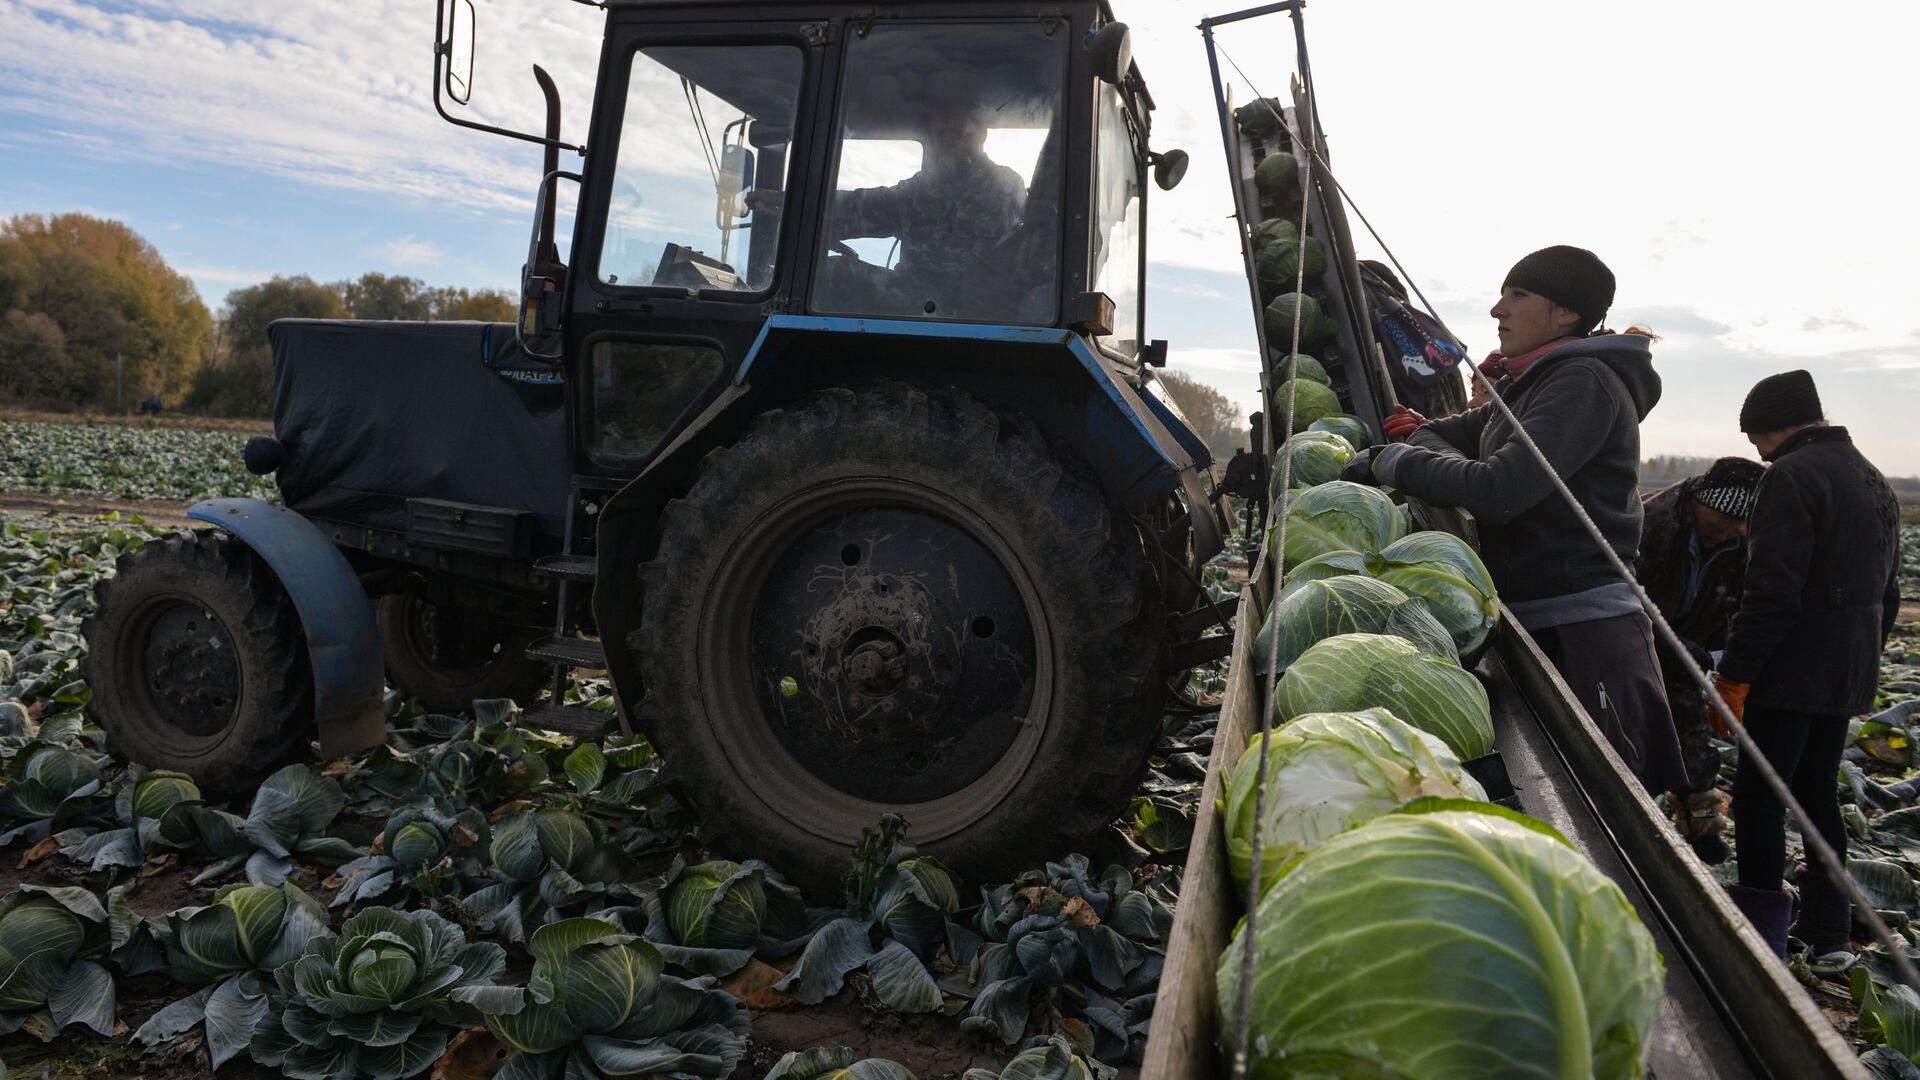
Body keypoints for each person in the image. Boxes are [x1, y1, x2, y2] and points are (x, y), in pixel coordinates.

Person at [1341, 245, 1686, 792]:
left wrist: (1397, 461)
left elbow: (1499, 490)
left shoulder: (1583, 383)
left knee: (1606, 804)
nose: (1498, 311)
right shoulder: (1532, 385)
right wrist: (1440, 456)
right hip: (1538, 624)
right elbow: (1442, 433)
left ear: (1565, 313)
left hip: (1584, 636)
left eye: (1517, 295)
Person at [1714, 370, 1902, 970]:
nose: (1756, 451)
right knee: (1816, 789)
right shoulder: (1871, 476)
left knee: (1759, 798)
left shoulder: (1790, 477)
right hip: (1848, 668)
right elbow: (1890, 591)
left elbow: (1771, 593)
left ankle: (1762, 937)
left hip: (1790, 670)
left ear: (1773, 428)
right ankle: (1829, 932)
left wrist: (1736, 676)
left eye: (1755, 438)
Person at [1633, 456, 1766, 863]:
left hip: (1693, 647)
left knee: (1692, 731)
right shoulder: (1653, 523)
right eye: (1714, 525)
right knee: (1627, 723)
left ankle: (1702, 827)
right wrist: (1668, 642)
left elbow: (1741, 607)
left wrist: (1715, 654)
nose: (1721, 535)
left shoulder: (1744, 546)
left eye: (1732, 531)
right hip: (1636, 640)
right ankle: (1627, 815)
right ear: (1695, 505)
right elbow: (1623, 592)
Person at [822, 73, 1027, 318]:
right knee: (829, 270)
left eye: (958, 131)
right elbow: (860, 208)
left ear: (980, 134)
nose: (950, 140)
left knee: (833, 272)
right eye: (941, 133)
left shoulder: (1006, 186)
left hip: (970, 309)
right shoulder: (921, 190)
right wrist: (789, 203)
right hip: (914, 303)